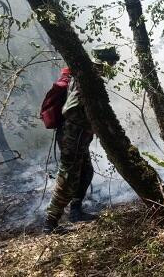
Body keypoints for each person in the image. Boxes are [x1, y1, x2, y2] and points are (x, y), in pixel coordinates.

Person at [43, 45, 120, 234]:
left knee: (86, 172)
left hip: (79, 135)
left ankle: (76, 211)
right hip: (73, 135)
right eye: (111, 63)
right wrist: (93, 123)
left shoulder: (87, 76)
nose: (112, 66)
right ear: (104, 63)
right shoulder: (86, 79)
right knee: (68, 177)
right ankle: (50, 223)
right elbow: (70, 110)